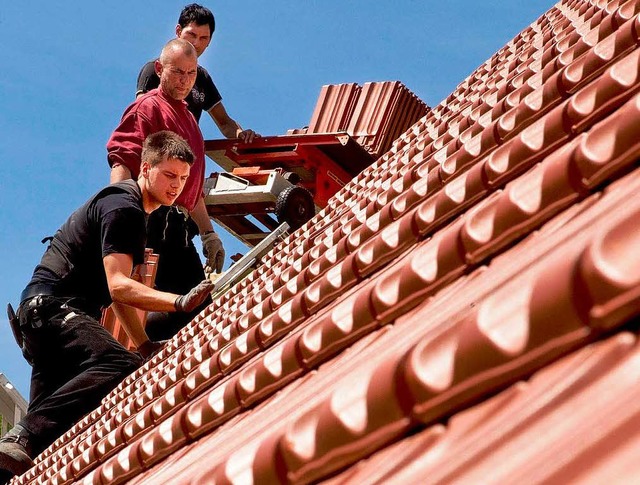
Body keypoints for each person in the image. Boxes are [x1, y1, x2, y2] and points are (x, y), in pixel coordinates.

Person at [0, 131, 214, 483]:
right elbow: (119, 284)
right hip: (56, 309)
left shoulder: (129, 209)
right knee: (118, 363)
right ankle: (19, 436)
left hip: (41, 316)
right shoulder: (125, 207)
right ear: (146, 168)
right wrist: (178, 302)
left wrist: (144, 344)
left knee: (38, 445)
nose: (176, 186)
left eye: (184, 179)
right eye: (169, 175)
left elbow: (118, 296)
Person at [108, 38, 223, 341]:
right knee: (191, 313)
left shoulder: (189, 121)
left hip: (181, 227)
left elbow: (190, 189)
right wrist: (120, 215)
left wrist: (209, 233)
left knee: (194, 313)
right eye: (177, 72)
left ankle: (159, 362)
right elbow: (122, 161)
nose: (184, 81)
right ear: (159, 70)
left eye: (191, 73)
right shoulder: (146, 108)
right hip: (153, 219)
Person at [136, 3, 259, 142]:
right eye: (192, 34)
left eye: (203, 38)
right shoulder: (154, 69)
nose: (196, 43)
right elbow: (141, 115)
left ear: (209, 41)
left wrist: (241, 135)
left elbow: (225, 123)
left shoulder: (202, 78)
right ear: (178, 31)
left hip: (186, 158)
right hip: (156, 155)